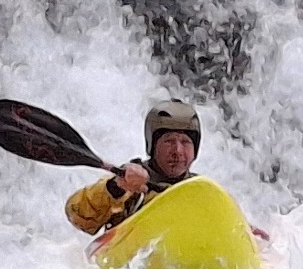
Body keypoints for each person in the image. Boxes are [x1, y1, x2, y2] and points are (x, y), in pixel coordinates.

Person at [65, 100, 201, 236]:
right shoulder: (130, 183)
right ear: (153, 146)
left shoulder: (201, 191)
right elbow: (78, 216)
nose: (178, 151)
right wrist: (115, 187)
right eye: (169, 141)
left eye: (185, 142)